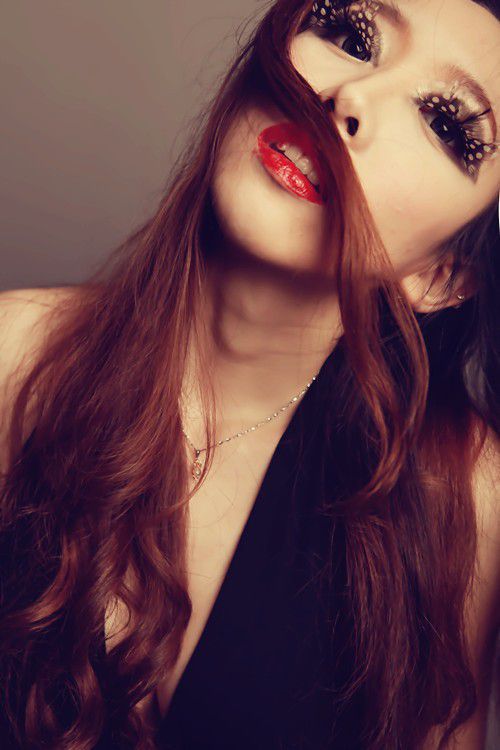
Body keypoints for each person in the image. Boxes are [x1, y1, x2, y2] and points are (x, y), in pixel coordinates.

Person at [0, 0, 499, 748]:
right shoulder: (16, 355)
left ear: (446, 275)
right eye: (350, 35)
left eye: (445, 123)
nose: (351, 97)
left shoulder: (463, 489)